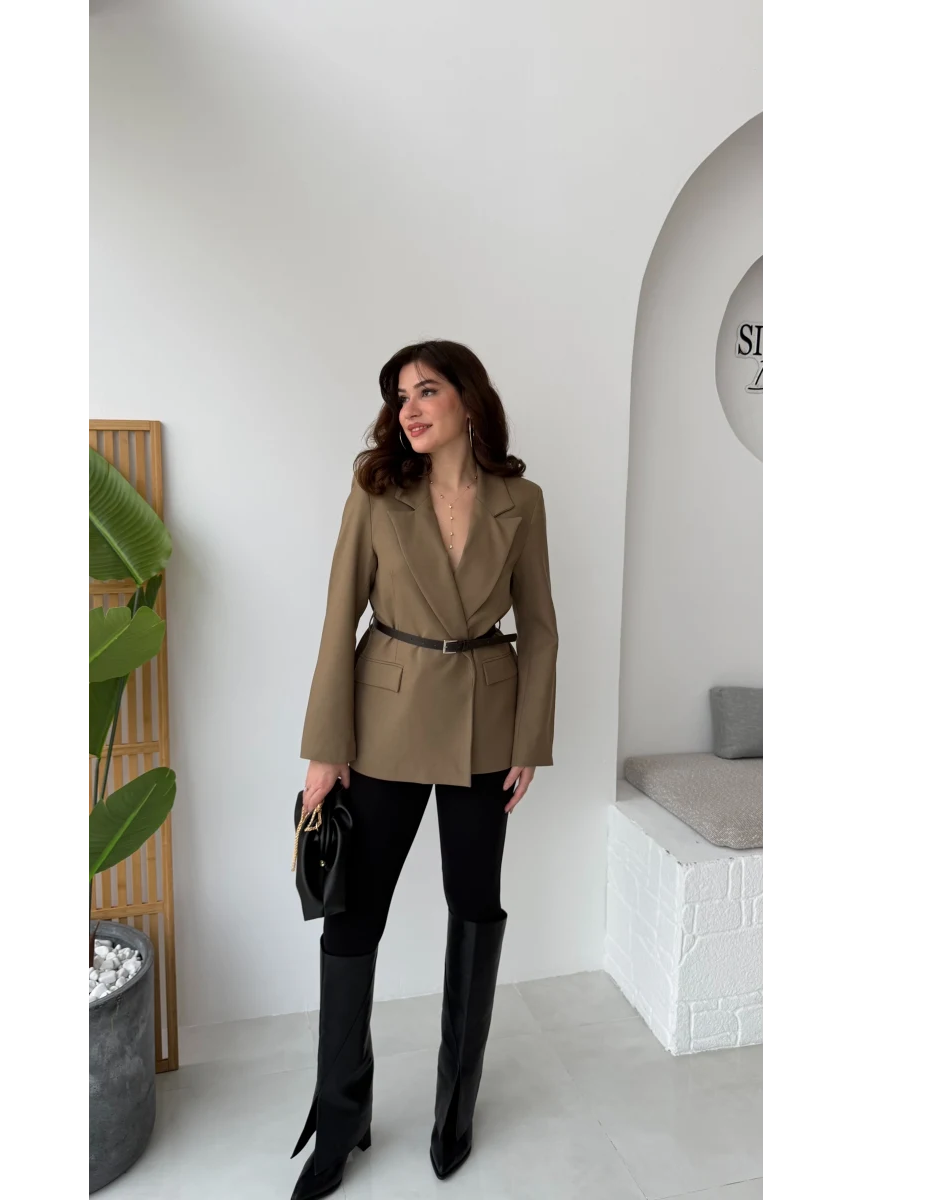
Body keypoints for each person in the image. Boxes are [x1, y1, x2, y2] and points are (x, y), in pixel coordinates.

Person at [289, 339, 559, 1200]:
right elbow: (339, 616)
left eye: (427, 390)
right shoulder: (377, 491)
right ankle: (340, 1121)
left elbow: (539, 627)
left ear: (468, 402)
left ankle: (455, 1111)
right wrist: (326, 748)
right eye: (399, 395)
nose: (408, 408)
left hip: (485, 724)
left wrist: (529, 739)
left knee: (474, 912)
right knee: (352, 922)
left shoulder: (522, 500)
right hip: (387, 720)